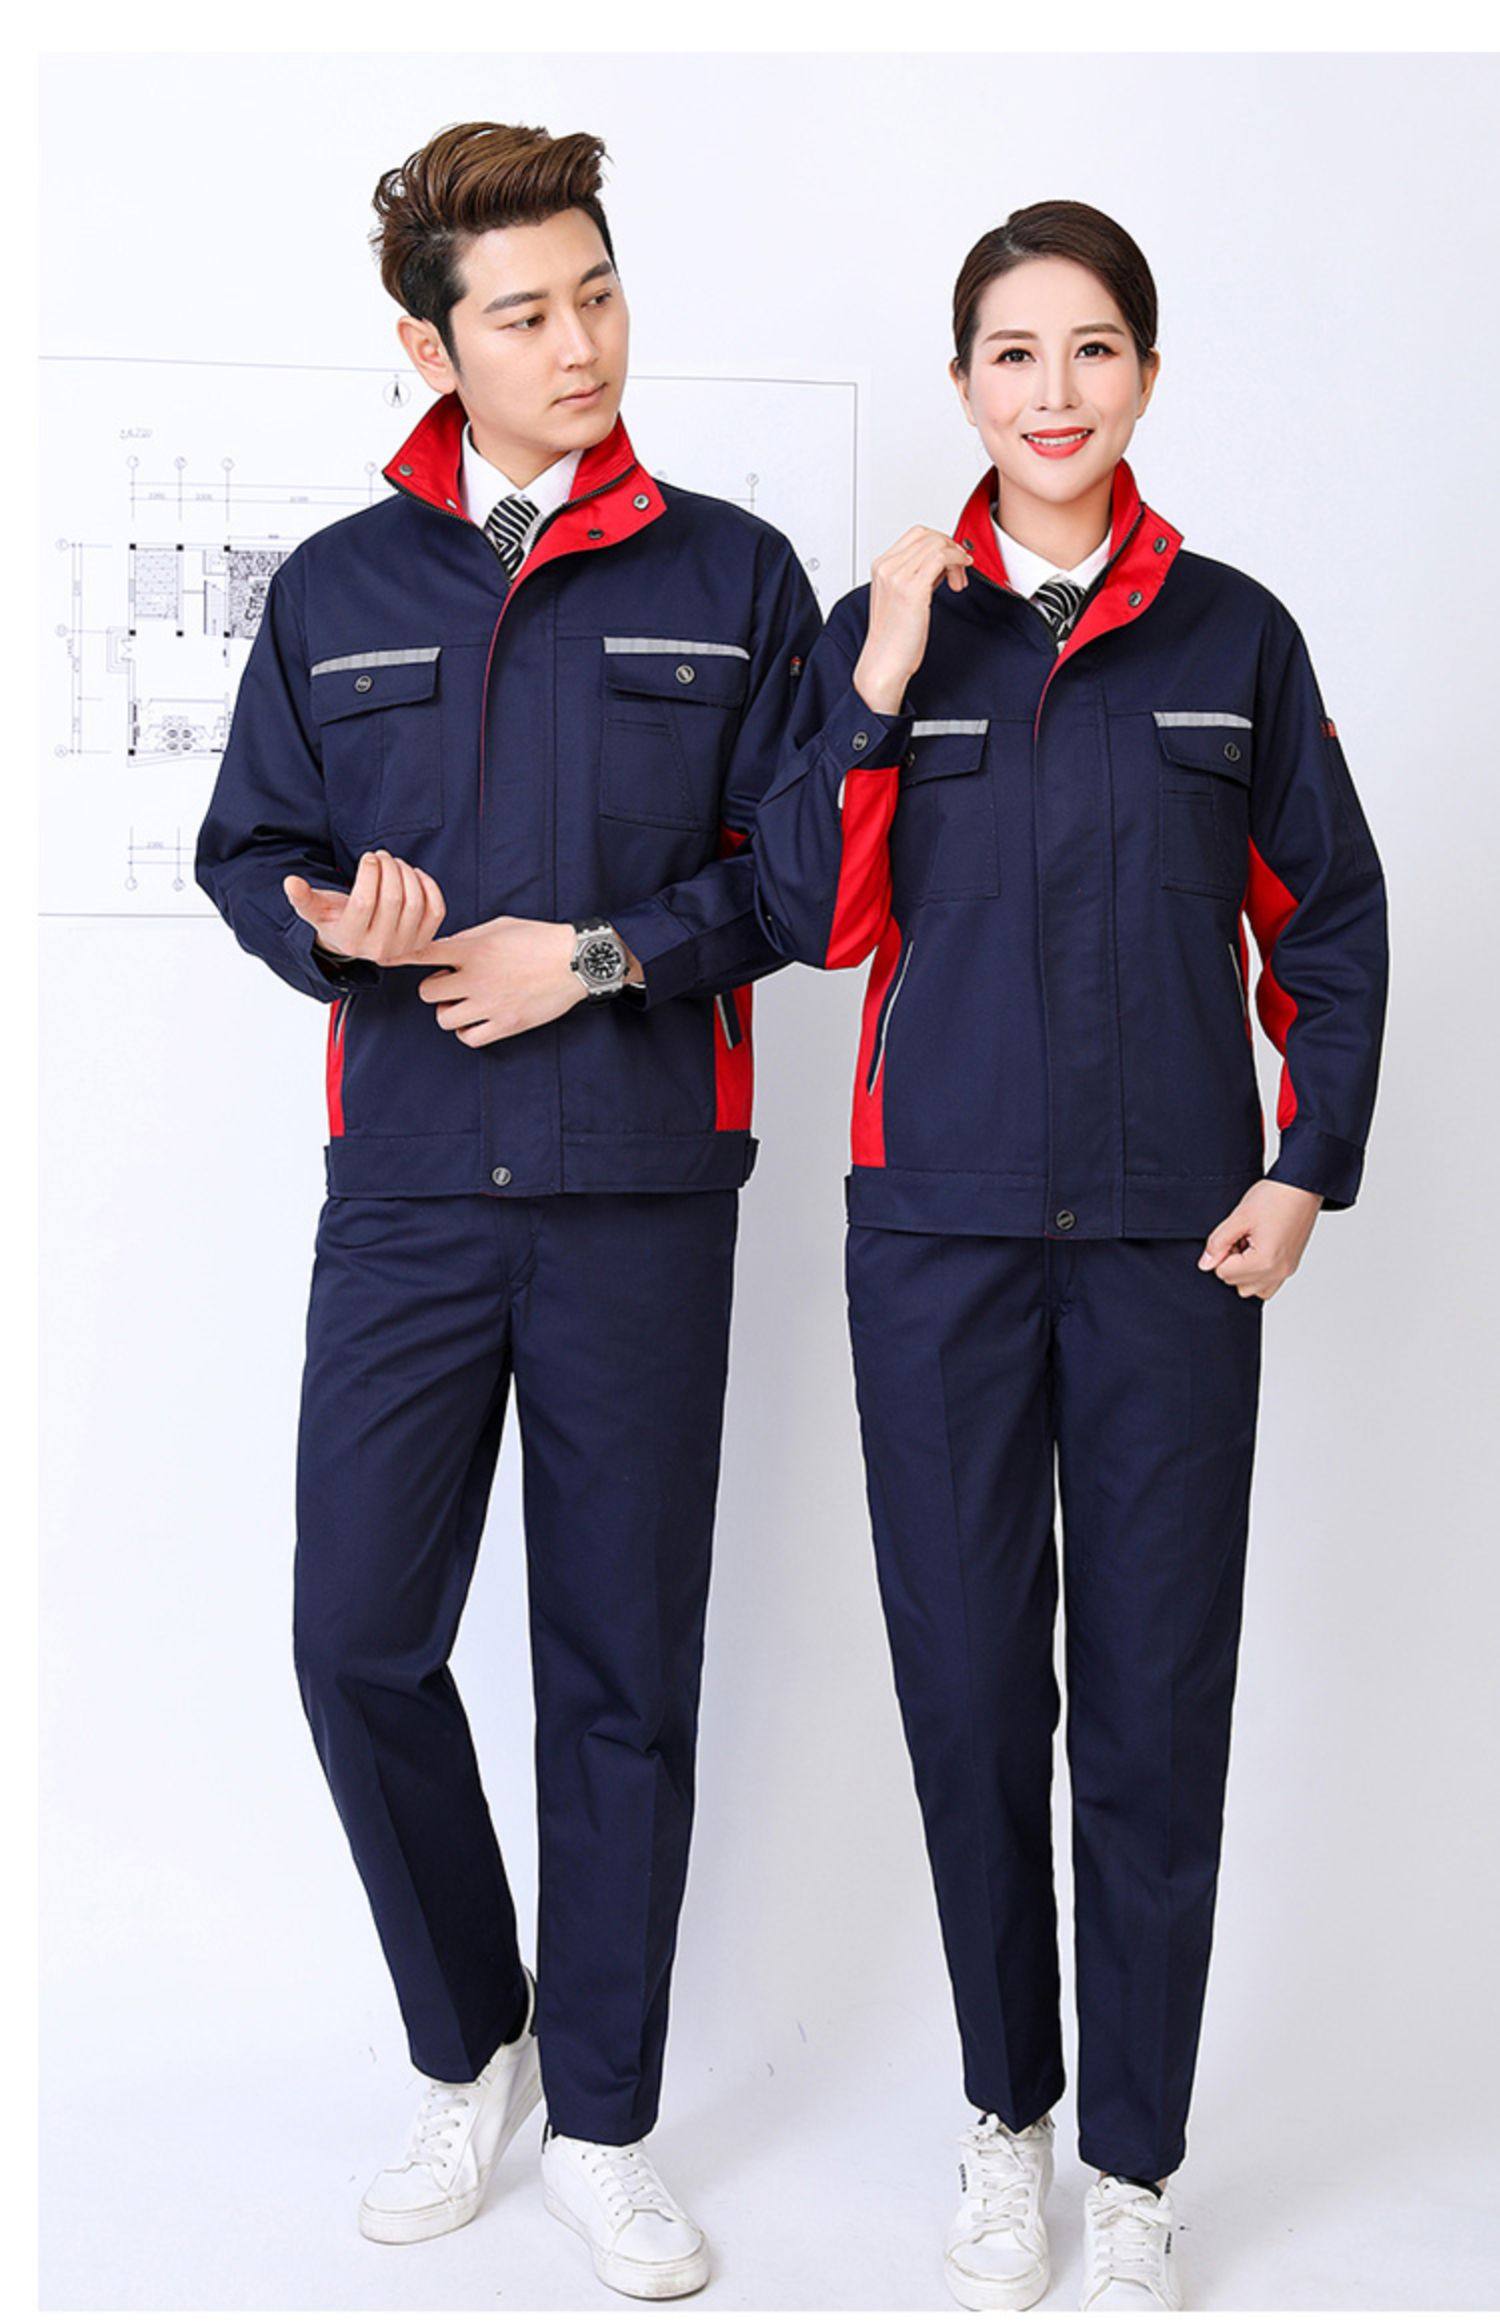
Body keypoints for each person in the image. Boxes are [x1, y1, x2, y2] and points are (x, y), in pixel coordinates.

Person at [195, 118, 819, 2300]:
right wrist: (335, 922)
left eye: (601, 295)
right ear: (431, 344)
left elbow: (798, 883)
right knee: (355, 1637)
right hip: (406, 1197)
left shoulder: (734, 578)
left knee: (619, 1670)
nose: (583, 344)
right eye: (530, 313)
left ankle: (612, 2121)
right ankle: (477, 2046)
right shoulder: (338, 591)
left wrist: (603, 955)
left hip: (643, 1190)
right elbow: (249, 850)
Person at [752, 200, 1388, 2312]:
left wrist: (1307, 1164)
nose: (1054, 391)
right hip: (933, 1238)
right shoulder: (885, 631)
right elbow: (813, 916)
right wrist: (879, 679)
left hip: (1167, 1250)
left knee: (1153, 1703)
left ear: (1147, 376)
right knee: (964, 1694)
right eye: (1013, 355)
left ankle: (1133, 2166)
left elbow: (1332, 923)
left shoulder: (1234, 637)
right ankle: (1004, 2121)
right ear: (963, 386)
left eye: (1093, 349)